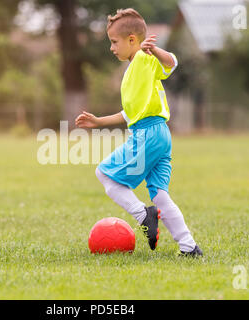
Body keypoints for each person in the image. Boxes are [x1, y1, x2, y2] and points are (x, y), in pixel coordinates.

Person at [75, 8, 203, 257]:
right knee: (160, 195)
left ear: (132, 40)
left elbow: (172, 63)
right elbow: (130, 113)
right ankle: (189, 247)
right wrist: (100, 121)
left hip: (149, 135)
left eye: (114, 42)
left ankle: (143, 214)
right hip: (159, 134)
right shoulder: (133, 69)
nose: (112, 48)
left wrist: (154, 50)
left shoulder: (144, 59)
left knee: (104, 174)